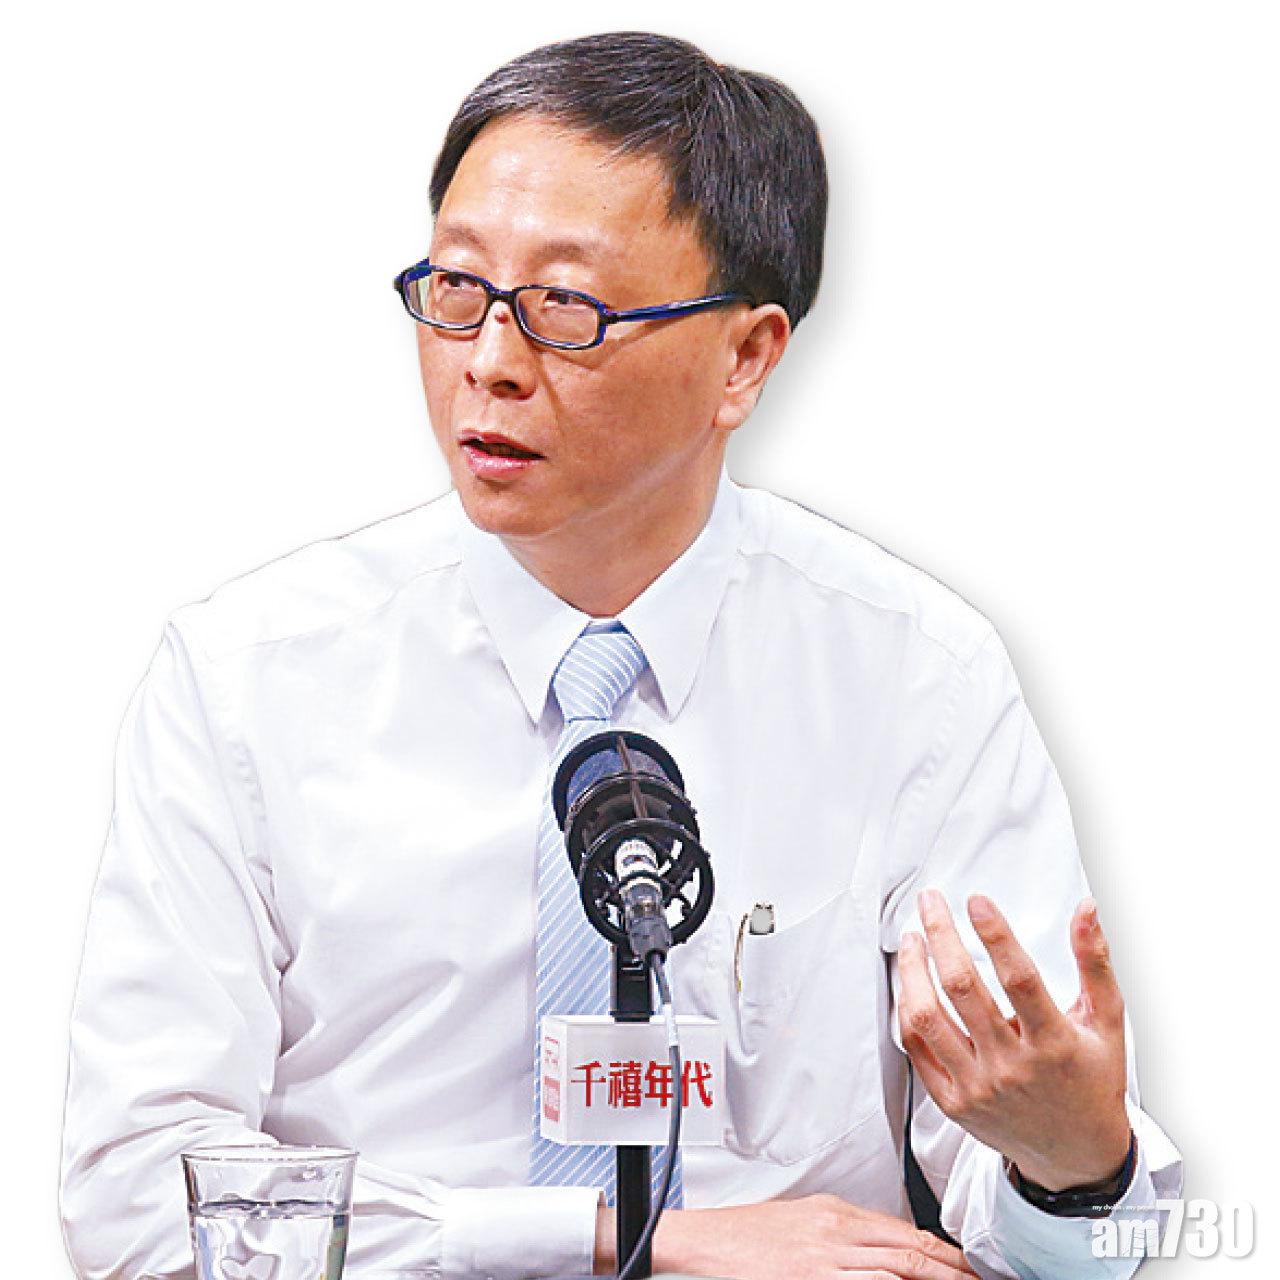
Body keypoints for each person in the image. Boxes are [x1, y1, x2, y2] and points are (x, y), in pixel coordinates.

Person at [60, 30, 1182, 1280]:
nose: (489, 362)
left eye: (565, 308)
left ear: (744, 357)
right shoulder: (248, 679)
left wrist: (1071, 1169)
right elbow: (135, 1199)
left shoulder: (911, 679)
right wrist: (632, 1245)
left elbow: (1066, 1246)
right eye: (455, 288)